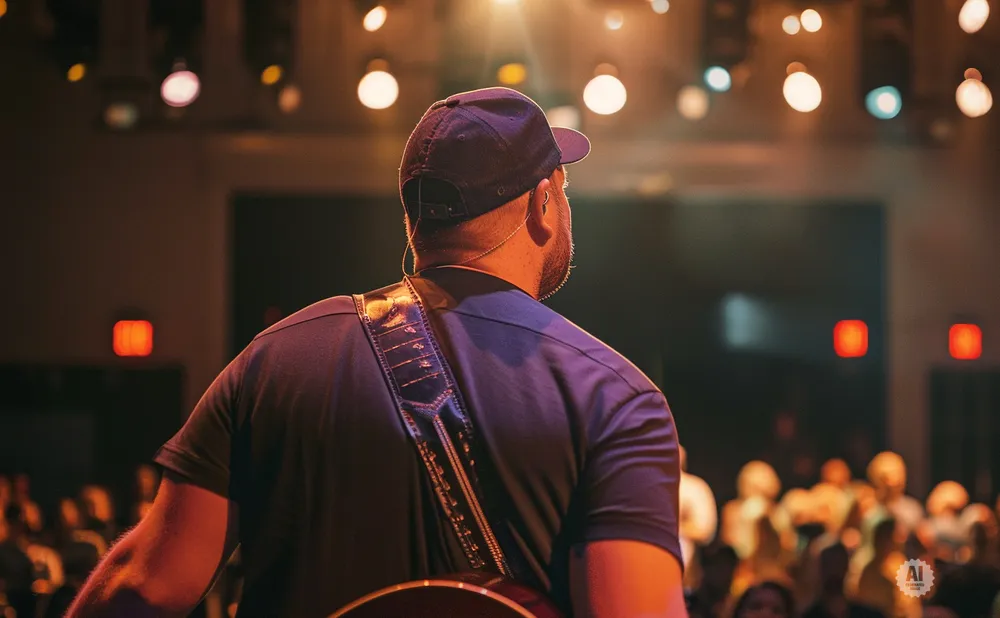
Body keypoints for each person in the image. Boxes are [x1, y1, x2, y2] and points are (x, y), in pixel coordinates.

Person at [66, 87, 687, 617]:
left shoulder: (272, 363)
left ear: (414, 221)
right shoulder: (615, 398)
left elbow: (140, 585)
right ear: (543, 204)